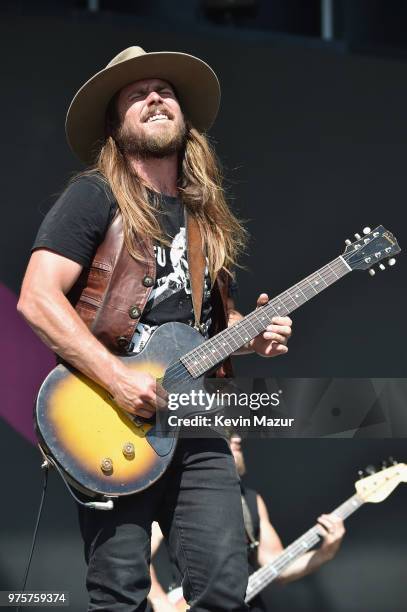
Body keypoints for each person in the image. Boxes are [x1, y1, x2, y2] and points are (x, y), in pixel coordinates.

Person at [17, 46, 293, 611]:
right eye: (136, 95)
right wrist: (118, 380)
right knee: (120, 593)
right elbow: (37, 298)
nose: (154, 98)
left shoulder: (203, 219)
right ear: (117, 126)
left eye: (164, 91)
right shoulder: (94, 196)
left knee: (223, 587)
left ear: (183, 116)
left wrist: (251, 332)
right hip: (108, 414)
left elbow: (209, 322)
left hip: (194, 419)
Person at [148, 434, 345, 611]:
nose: (237, 439)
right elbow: (142, 554)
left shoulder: (250, 501)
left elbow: (279, 568)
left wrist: (325, 553)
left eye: (236, 433)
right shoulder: (180, 499)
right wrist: (160, 601)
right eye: (227, 433)